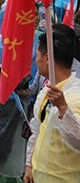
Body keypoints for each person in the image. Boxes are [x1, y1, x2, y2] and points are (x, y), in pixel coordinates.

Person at [24, 29, 80, 183]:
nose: (36, 60)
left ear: (47, 58)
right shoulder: (48, 90)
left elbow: (77, 140)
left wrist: (63, 108)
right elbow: (37, 129)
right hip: (41, 175)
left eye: (37, 55)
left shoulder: (75, 96)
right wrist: (29, 164)